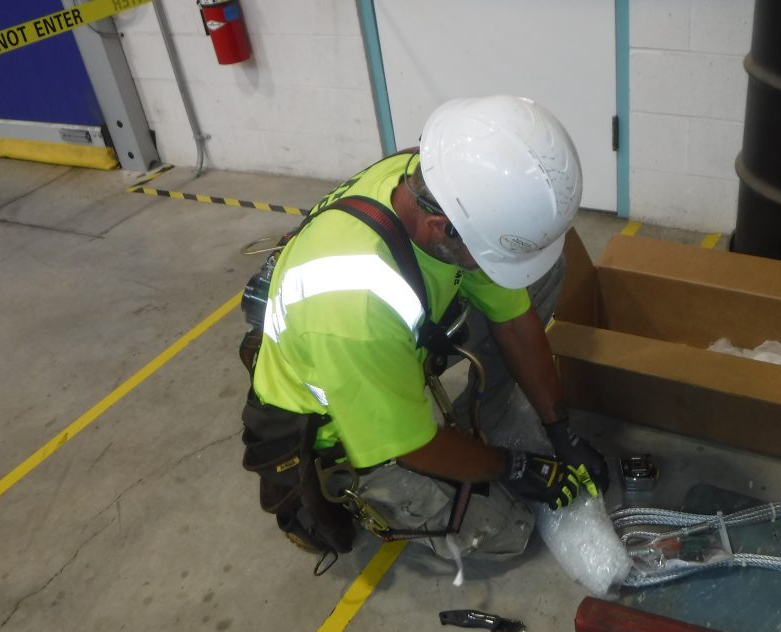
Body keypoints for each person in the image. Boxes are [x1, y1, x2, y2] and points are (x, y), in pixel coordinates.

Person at [239, 95, 609, 569]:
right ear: (440, 229)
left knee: (540, 276)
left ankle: (478, 424)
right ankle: (368, 483)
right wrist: (512, 466)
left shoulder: (435, 180)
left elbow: (514, 318)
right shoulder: (355, 309)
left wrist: (561, 430)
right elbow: (412, 446)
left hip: (399, 338)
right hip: (343, 424)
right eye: (486, 250)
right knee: (507, 532)